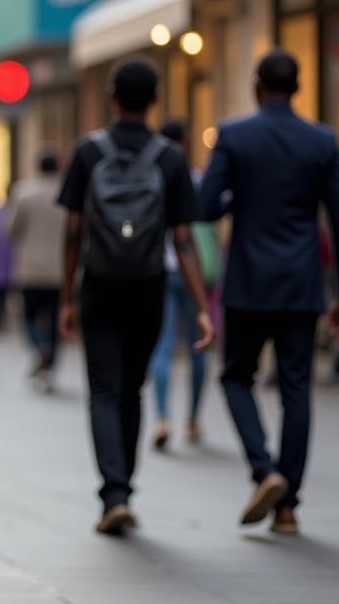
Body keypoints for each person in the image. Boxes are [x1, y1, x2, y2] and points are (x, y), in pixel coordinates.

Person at [58, 60, 214, 536]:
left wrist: (67, 297)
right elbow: (184, 239)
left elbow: (73, 231)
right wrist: (202, 307)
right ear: (154, 100)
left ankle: (114, 493)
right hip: (148, 287)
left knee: (103, 389)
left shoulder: (88, 152)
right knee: (132, 389)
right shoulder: (169, 159)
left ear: (111, 96)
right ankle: (125, 489)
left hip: (100, 286)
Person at [201, 50, 339, 535]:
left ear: (258, 86)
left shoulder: (234, 136)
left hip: (247, 284)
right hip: (302, 283)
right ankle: (286, 508)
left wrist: (238, 197)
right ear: (297, 88)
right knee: (297, 388)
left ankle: (265, 470)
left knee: (236, 376)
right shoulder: (323, 141)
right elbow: (338, 220)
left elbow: (204, 206)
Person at [148, 120, 212, 450]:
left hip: (159, 270)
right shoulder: (196, 179)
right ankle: (193, 420)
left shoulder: (150, 176)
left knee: (163, 346)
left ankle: (162, 417)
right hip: (194, 273)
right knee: (199, 344)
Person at [5, 150, 66, 390]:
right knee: (55, 319)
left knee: (29, 315)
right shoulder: (66, 192)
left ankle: (40, 347)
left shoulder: (24, 193)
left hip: (30, 269)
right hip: (60, 270)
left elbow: (10, 229)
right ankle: (49, 361)